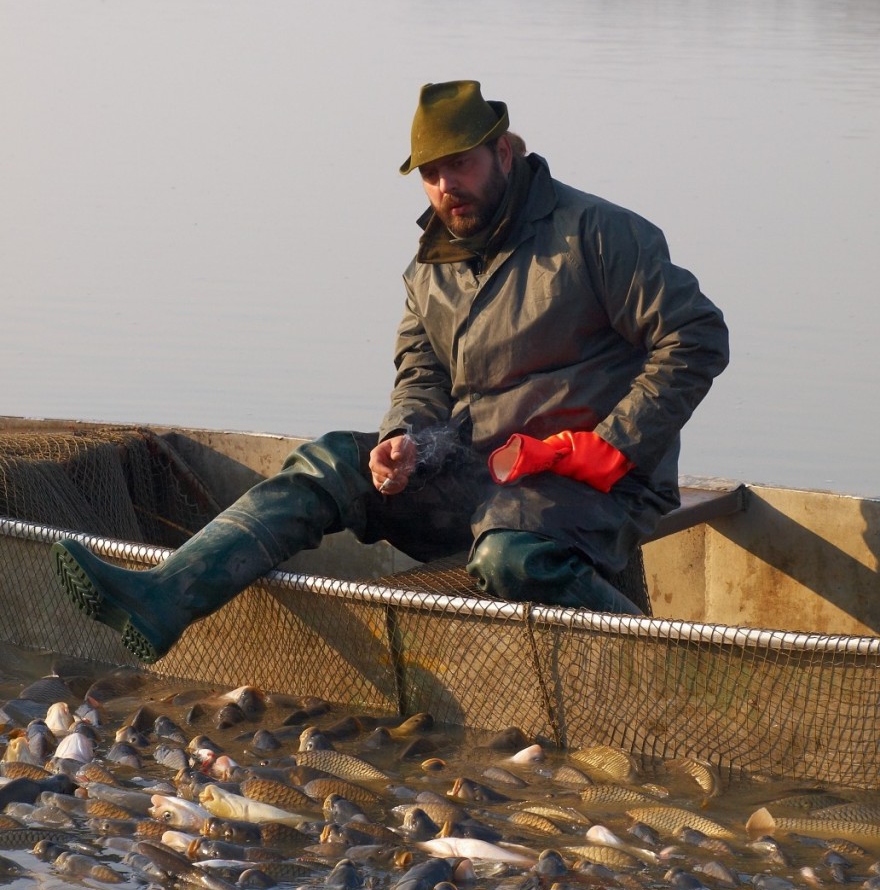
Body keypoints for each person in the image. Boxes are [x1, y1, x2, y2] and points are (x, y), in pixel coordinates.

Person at [51, 79, 729, 664]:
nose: (444, 186)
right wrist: (401, 439)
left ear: (503, 152)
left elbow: (695, 336)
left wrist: (613, 447)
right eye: (430, 173)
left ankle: (649, 656)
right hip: (482, 476)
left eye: (458, 165)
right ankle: (162, 599)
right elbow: (420, 376)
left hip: (593, 486)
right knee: (329, 463)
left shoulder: (599, 234)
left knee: (507, 557)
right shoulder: (428, 270)